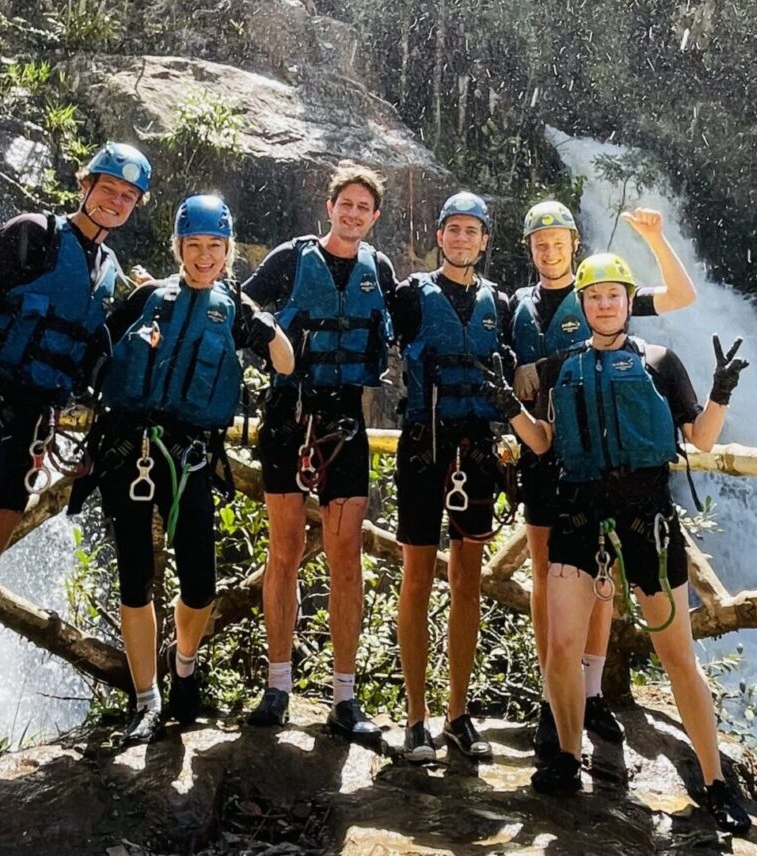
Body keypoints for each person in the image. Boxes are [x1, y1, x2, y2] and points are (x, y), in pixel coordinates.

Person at [0, 143, 152, 800]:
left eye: (127, 196)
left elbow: (91, 353)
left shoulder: (107, 270)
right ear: (87, 183)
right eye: (108, 187)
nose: (115, 200)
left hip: (32, 425)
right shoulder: (32, 234)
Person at [493, 252, 752, 834]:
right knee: (561, 647)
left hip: (645, 520)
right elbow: (543, 443)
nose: (604, 305)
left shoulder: (660, 362)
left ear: (628, 302)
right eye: (594, 297)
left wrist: (721, 391)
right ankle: (565, 755)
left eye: (614, 296)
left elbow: (702, 440)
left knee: (678, 655)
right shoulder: (564, 368)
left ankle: (714, 781)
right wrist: (509, 408)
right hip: (579, 516)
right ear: (582, 306)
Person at [68, 195, 294, 744]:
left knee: (199, 585)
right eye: (193, 246)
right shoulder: (149, 298)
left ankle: (184, 663)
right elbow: (91, 351)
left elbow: (287, 363)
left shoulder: (234, 309)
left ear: (228, 251)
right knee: (135, 577)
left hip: (192, 456)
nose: (204, 256)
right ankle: (146, 699)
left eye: (214, 247)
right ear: (178, 248)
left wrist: (264, 325)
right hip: (132, 451)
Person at [511, 202, 698, 761]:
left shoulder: (602, 293)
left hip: (601, 463)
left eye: (557, 240)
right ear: (530, 249)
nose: (549, 250)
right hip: (543, 447)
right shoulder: (514, 304)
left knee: (603, 582)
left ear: (573, 243)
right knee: (549, 577)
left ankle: (590, 695)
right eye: (539, 242)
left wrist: (657, 239)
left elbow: (679, 297)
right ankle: (555, 700)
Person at [241, 162, 396, 739]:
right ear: (329, 208)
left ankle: (344, 698)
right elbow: (239, 309)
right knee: (283, 550)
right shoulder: (289, 259)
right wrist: (270, 341)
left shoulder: (378, 270)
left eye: (364, 207)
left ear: (374, 216)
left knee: (345, 556)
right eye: (345, 204)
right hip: (288, 416)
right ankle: (278, 686)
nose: (353, 214)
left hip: (346, 422)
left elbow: (408, 327)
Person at [392, 191, 513, 762]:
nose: (462, 239)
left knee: (467, 583)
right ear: (439, 236)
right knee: (416, 578)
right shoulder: (412, 296)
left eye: (473, 231)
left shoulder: (501, 304)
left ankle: (457, 715)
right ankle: (416, 718)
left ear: (485, 241)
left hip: (479, 452)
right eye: (453, 230)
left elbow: (518, 374)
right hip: (424, 447)